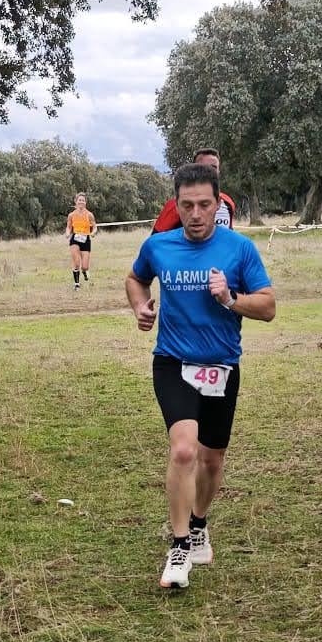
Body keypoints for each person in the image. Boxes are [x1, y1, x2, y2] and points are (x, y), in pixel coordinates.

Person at [125, 163, 276, 590]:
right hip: (172, 361)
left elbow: (267, 307)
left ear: (218, 205)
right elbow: (136, 278)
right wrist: (140, 307)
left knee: (212, 461)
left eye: (204, 205)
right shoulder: (158, 246)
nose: (195, 214)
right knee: (185, 451)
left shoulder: (240, 249)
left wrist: (230, 298)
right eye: (187, 205)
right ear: (176, 205)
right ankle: (178, 548)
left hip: (221, 365)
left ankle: (199, 522)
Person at [153, 148, 237, 231]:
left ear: (219, 171)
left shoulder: (228, 202)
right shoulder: (174, 206)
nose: (208, 171)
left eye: (213, 167)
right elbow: (156, 240)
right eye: (202, 167)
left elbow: (229, 233)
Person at [65, 193, 96, 286]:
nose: (81, 202)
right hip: (75, 238)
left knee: (85, 266)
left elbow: (94, 226)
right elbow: (68, 227)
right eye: (79, 200)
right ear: (76, 201)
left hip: (86, 239)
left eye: (83, 200)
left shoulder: (89, 215)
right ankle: (77, 284)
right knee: (77, 262)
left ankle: (85, 272)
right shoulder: (71, 215)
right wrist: (67, 233)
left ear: (85, 202)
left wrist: (93, 232)